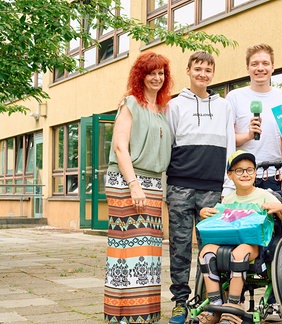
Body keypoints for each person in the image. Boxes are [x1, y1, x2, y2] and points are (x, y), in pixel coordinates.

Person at [165, 51, 236, 324]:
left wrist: (227, 186)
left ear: (212, 73)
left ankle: (207, 302)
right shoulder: (174, 105)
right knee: (179, 247)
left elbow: (230, 144)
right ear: (189, 71)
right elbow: (169, 146)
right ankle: (181, 303)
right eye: (198, 69)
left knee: (210, 249)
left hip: (212, 189)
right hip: (180, 186)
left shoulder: (224, 106)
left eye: (208, 70)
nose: (202, 74)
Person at [104, 52, 173, 324]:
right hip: (128, 180)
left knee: (149, 249)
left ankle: (145, 313)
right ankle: (122, 314)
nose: (157, 78)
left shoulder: (163, 109)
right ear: (141, 75)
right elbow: (120, 147)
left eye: (161, 73)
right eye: (151, 73)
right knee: (127, 249)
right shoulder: (131, 103)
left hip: (154, 183)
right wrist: (134, 184)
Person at [195, 150, 282, 324]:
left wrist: (280, 209)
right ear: (230, 175)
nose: (245, 174)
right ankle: (215, 305)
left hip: (257, 245)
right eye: (239, 170)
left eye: (249, 170)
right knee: (206, 252)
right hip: (228, 242)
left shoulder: (266, 195)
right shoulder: (227, 199)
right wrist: (205, 213)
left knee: (240, 252)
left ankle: (233, 307)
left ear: (255, 173)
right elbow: (220, 221)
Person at [226, 43, 282, 191]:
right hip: (242, 174)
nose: (260, 68)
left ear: (273, 67)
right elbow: (227, 139)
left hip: (273, 173)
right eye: (254, 64)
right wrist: (248, 135)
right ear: (247, 68)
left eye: (265, 63)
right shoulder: (234, 97)